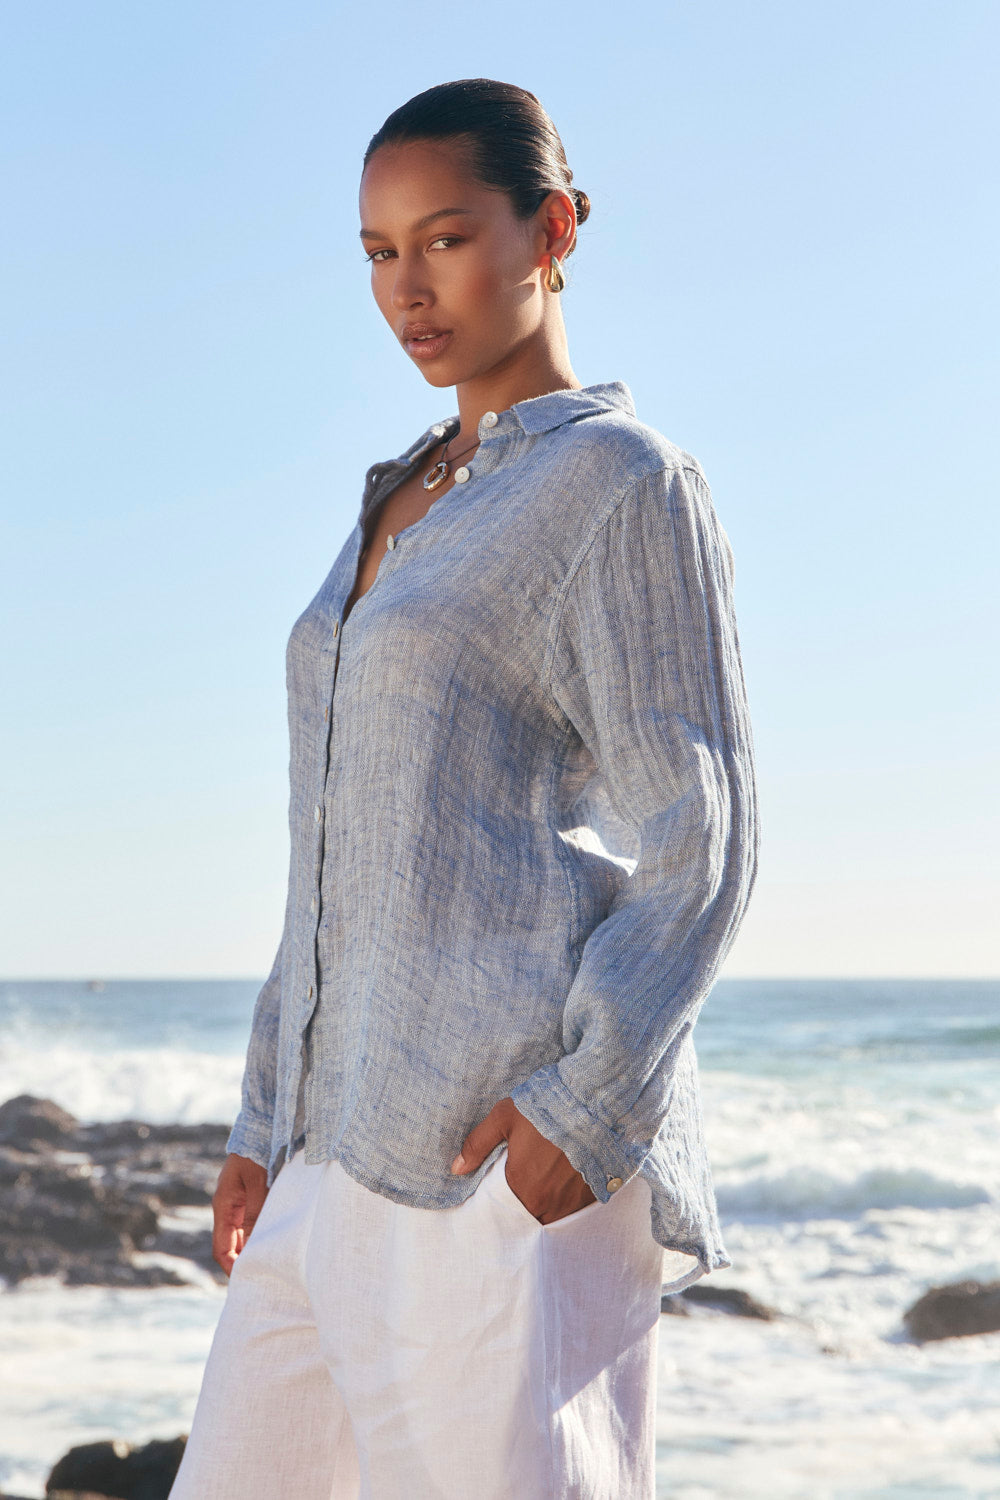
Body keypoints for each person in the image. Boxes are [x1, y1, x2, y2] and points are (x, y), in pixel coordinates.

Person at [167, 77, 759, 1500]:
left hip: (493, 1149)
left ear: (553, 229)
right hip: (325, 1151)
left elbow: (706, 834)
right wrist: (262, 1120)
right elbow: (335, 852)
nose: (406, 289)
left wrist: (585, 1109)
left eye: (442, 239)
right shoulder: (395, 495)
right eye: (380, 252)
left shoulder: (621, 482)